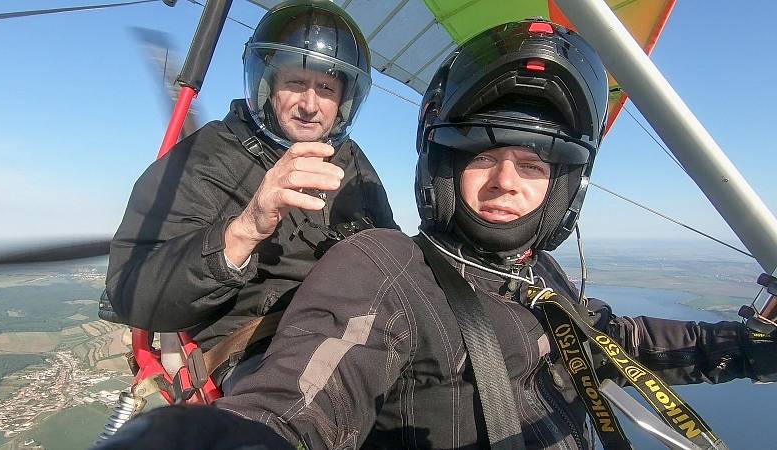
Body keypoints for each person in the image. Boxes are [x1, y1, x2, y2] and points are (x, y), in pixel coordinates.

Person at [99, 20, 777, 450]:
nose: (507, 183)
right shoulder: (212, 165)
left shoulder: (534, 275)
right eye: (483, 157)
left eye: (534, 165)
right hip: (268, 348)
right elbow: (307, 391)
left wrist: (750, 348)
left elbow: (615, 339)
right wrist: (248, 226)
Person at [105, 0, 397, 373]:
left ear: (343, 100)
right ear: (267, 86)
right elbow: (132, 292)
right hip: (258, 351)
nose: (310, 104)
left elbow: (393, 253)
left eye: (325, 88)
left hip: (360, 332)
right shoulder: (209, 155)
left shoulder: (352, 162)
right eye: (295, 83)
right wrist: (246, 228)